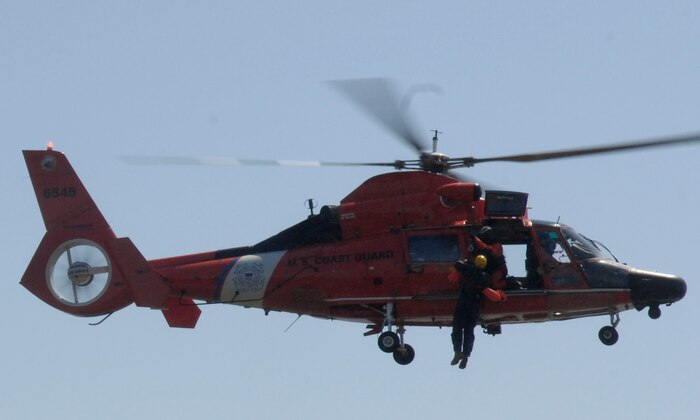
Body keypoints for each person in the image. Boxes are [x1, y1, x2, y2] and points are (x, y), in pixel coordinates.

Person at [448, 254, 507, 369]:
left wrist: (461, 265)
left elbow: (453, 274)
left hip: (463, 303)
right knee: (469, 330)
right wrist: (500, 295)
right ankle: (466, 355)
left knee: (457, 327)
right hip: (474, 305)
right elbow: (492, 296)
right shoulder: (484, 277)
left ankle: (457, 351)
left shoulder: (466, 270)